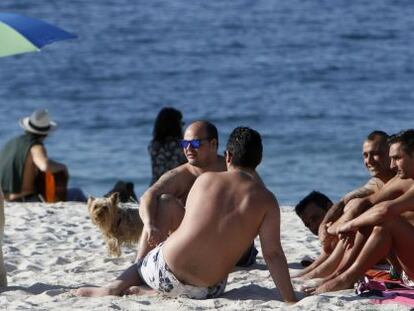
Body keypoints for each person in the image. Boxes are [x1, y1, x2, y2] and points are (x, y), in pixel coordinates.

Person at [75, 127, 297, 303]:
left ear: (228, 155)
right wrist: (290, 299)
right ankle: (161, 292)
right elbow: (273, 254)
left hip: (164, 273)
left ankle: (114, 287)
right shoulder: (268, 200)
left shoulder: (205, 180)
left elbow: (189, 226)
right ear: (258, 161)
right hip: (208, 290)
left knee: (148, 259)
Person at [137, 120, 258, 266]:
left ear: (213, 144)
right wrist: (150, 224)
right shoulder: (180, 175)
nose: (188, 149)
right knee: (164, 202)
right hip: (201, 245)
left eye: (195, 144)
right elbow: (148, 196)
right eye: (184, 144)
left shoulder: (232, 168)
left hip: (236, 249)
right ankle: (140, 264)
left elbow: (261, 199)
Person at [308, 129, 414, 293]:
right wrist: (332, 226)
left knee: (386, 221)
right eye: (391, 159)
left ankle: (345, 278)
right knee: (372, 218)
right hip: (406, 268)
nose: (392, 165)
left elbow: (385, 211)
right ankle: (341, 274)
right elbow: (367, 202)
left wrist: (349, 225)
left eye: (397, 158)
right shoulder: (402, 179)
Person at [296, 131, 395, 280]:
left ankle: (328, 269)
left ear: (390, 153)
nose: (369, 160)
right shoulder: (376, 182)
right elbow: (343, 201)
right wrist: (324, 225)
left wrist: (334, 229)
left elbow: (363, 205)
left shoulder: (401, 178)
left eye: (375, 154)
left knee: (358, 212)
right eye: (365, 155)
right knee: (351, 207)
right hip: (386, 244)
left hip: (397, 245)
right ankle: (320, 267)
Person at [0, 109, 86, 202]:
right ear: (46, 133)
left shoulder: (11, 142)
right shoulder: (35, 146)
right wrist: (62, 167)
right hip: (24, 200)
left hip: (5, 200)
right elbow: (44, 166)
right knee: (77, 192)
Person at [148, 107, 187, 185]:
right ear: (175, 126)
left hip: (156, 186)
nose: (182, 127)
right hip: (177, 188)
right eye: (181, 123)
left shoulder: (153, 145)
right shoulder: (182, 145)